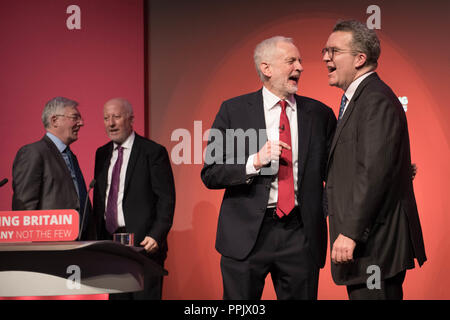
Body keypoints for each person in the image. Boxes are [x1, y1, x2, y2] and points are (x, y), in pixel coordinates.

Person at [201, 36, 336, 299]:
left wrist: (321, 211)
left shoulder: (320, 114)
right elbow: (211, 172)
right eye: (291, 61)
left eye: (299, 61)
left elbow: (335, 172)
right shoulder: (233, 111)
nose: (300, 67)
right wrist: (255, 161)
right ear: (266, 68)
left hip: (301, 235)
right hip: (246, 236)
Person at [322, 20, 427, 300]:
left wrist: (351, 233)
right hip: (368, 245)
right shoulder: (361, 99)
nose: (325, 57)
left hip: (374, 245)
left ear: (360, 59)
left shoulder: (375, 100)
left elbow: (373, 173)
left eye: (333, 51)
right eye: (325, 50)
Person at [93, 98, 175, 300]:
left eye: (116, 117)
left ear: (131, 119)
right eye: (106, 118)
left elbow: (166, 199)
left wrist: (157, 234)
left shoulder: (153, 152)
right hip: (110, 247)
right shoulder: (101, 154)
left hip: (144, 246)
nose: (111, 123)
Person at [12, 96, 93, 240]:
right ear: (55, 120)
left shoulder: (70, 156)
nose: (81, 123)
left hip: (78, 246)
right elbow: (24, 209)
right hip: (48, 249)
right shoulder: (33, 152)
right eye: (75, 117)